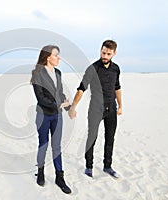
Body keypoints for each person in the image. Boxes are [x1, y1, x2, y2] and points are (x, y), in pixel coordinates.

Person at [69, 40, 122, 178]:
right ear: (100, 50)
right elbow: (81, 88)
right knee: (92, 137)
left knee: (110, 138)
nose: (105, 55)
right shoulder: (92, 68)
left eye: (108, 54)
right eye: (103, 52)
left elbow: (117, 87)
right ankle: (89, 166)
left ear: (114, 53)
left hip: (111, 109)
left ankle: (107, 166)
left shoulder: (116, 68)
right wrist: (73, 106)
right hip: (95, 109)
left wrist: (121, 106)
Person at [30, 45, 71, 194]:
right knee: (43, 144)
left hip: (57, 115)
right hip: (43, 115)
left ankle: (60, 177)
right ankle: (40, 172)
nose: (58, 57)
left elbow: (59, 92)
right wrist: (58, 104)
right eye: (56, 55)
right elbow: (41, 98)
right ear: (48, 57)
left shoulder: (58, 72)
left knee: (57, 146)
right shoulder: (37, 74)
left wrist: (68, 106)